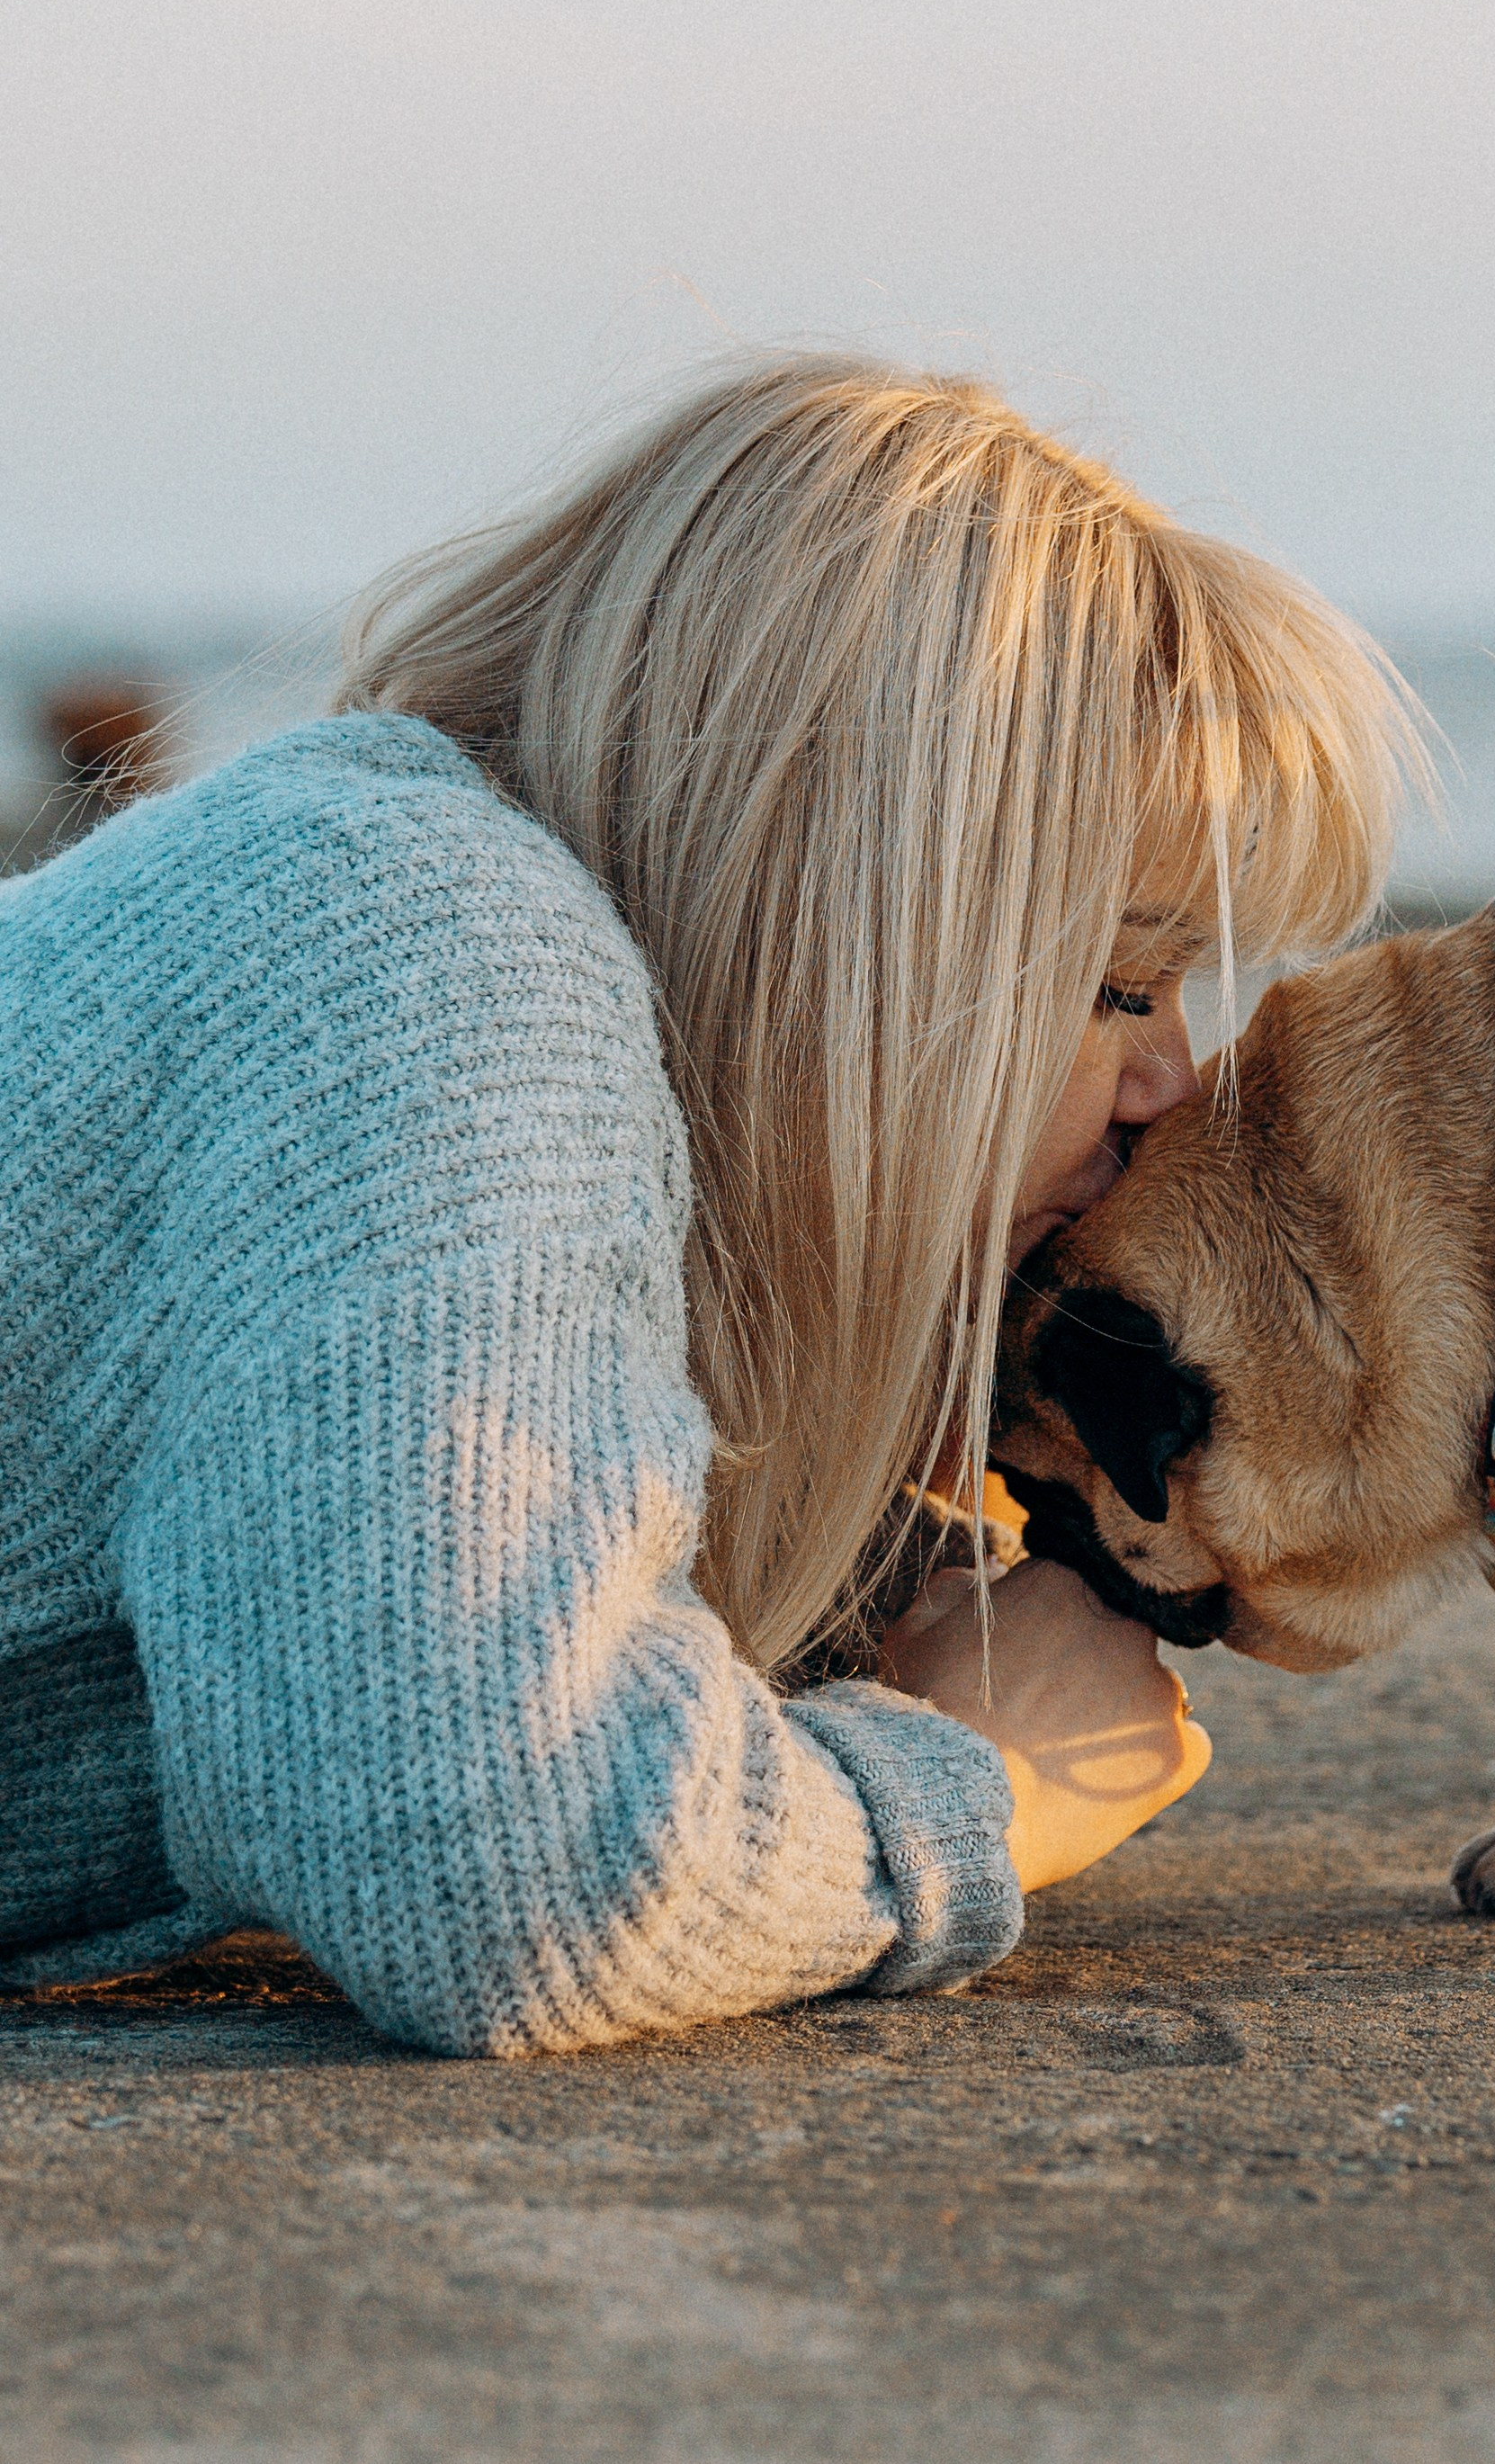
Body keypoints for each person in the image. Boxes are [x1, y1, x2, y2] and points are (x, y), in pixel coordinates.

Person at [0, 356, 1412, 2054]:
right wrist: (980, 1779)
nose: (1168, 1083)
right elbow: (491, 1860)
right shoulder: (425, 944)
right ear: (861, 927)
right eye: (1121, 983)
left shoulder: (420, 948)